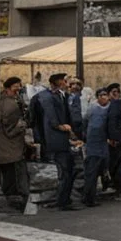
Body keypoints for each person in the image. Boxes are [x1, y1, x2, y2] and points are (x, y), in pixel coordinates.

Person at [41, 73, 81, 210]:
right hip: (57, 140)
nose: (67, 83)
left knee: (69, 170)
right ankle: (62, 201)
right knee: (65, 171)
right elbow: (51, 117)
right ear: (58, 82)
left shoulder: (62, 95)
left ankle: (64, 199)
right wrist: (61, 127)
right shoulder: (47, 97)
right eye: (64, 81)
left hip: (63, 139)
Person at [0, 77, 29, 209]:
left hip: (2, 144)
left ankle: (10, 196)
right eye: (16, 87)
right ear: (9, 88)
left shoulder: (3, 99)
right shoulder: (10, 105)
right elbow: (10, 129)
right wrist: (22, 125)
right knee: (12, 172)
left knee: (6, 170)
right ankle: (13, 199)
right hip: (9, 145)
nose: (18, 89)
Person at [81, 88, 112, 207]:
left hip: (103, 143)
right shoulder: (93, 108)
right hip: (94, 143)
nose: (104, 97)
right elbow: (85, 123)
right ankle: (89, 198)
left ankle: (91, 195)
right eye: (101, 95)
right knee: (92, 172)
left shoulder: (109, 108)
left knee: (101, 169)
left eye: (105, 95)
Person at [104, 84, 121, 188]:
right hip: (113, 139)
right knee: (113, 162)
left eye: (117, 92)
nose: (116, 94)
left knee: (117, 161)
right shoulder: (112, 105)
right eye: (114, 92)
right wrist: (112, 138)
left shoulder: (118, 104)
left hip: (118, 137)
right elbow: (111, 123)